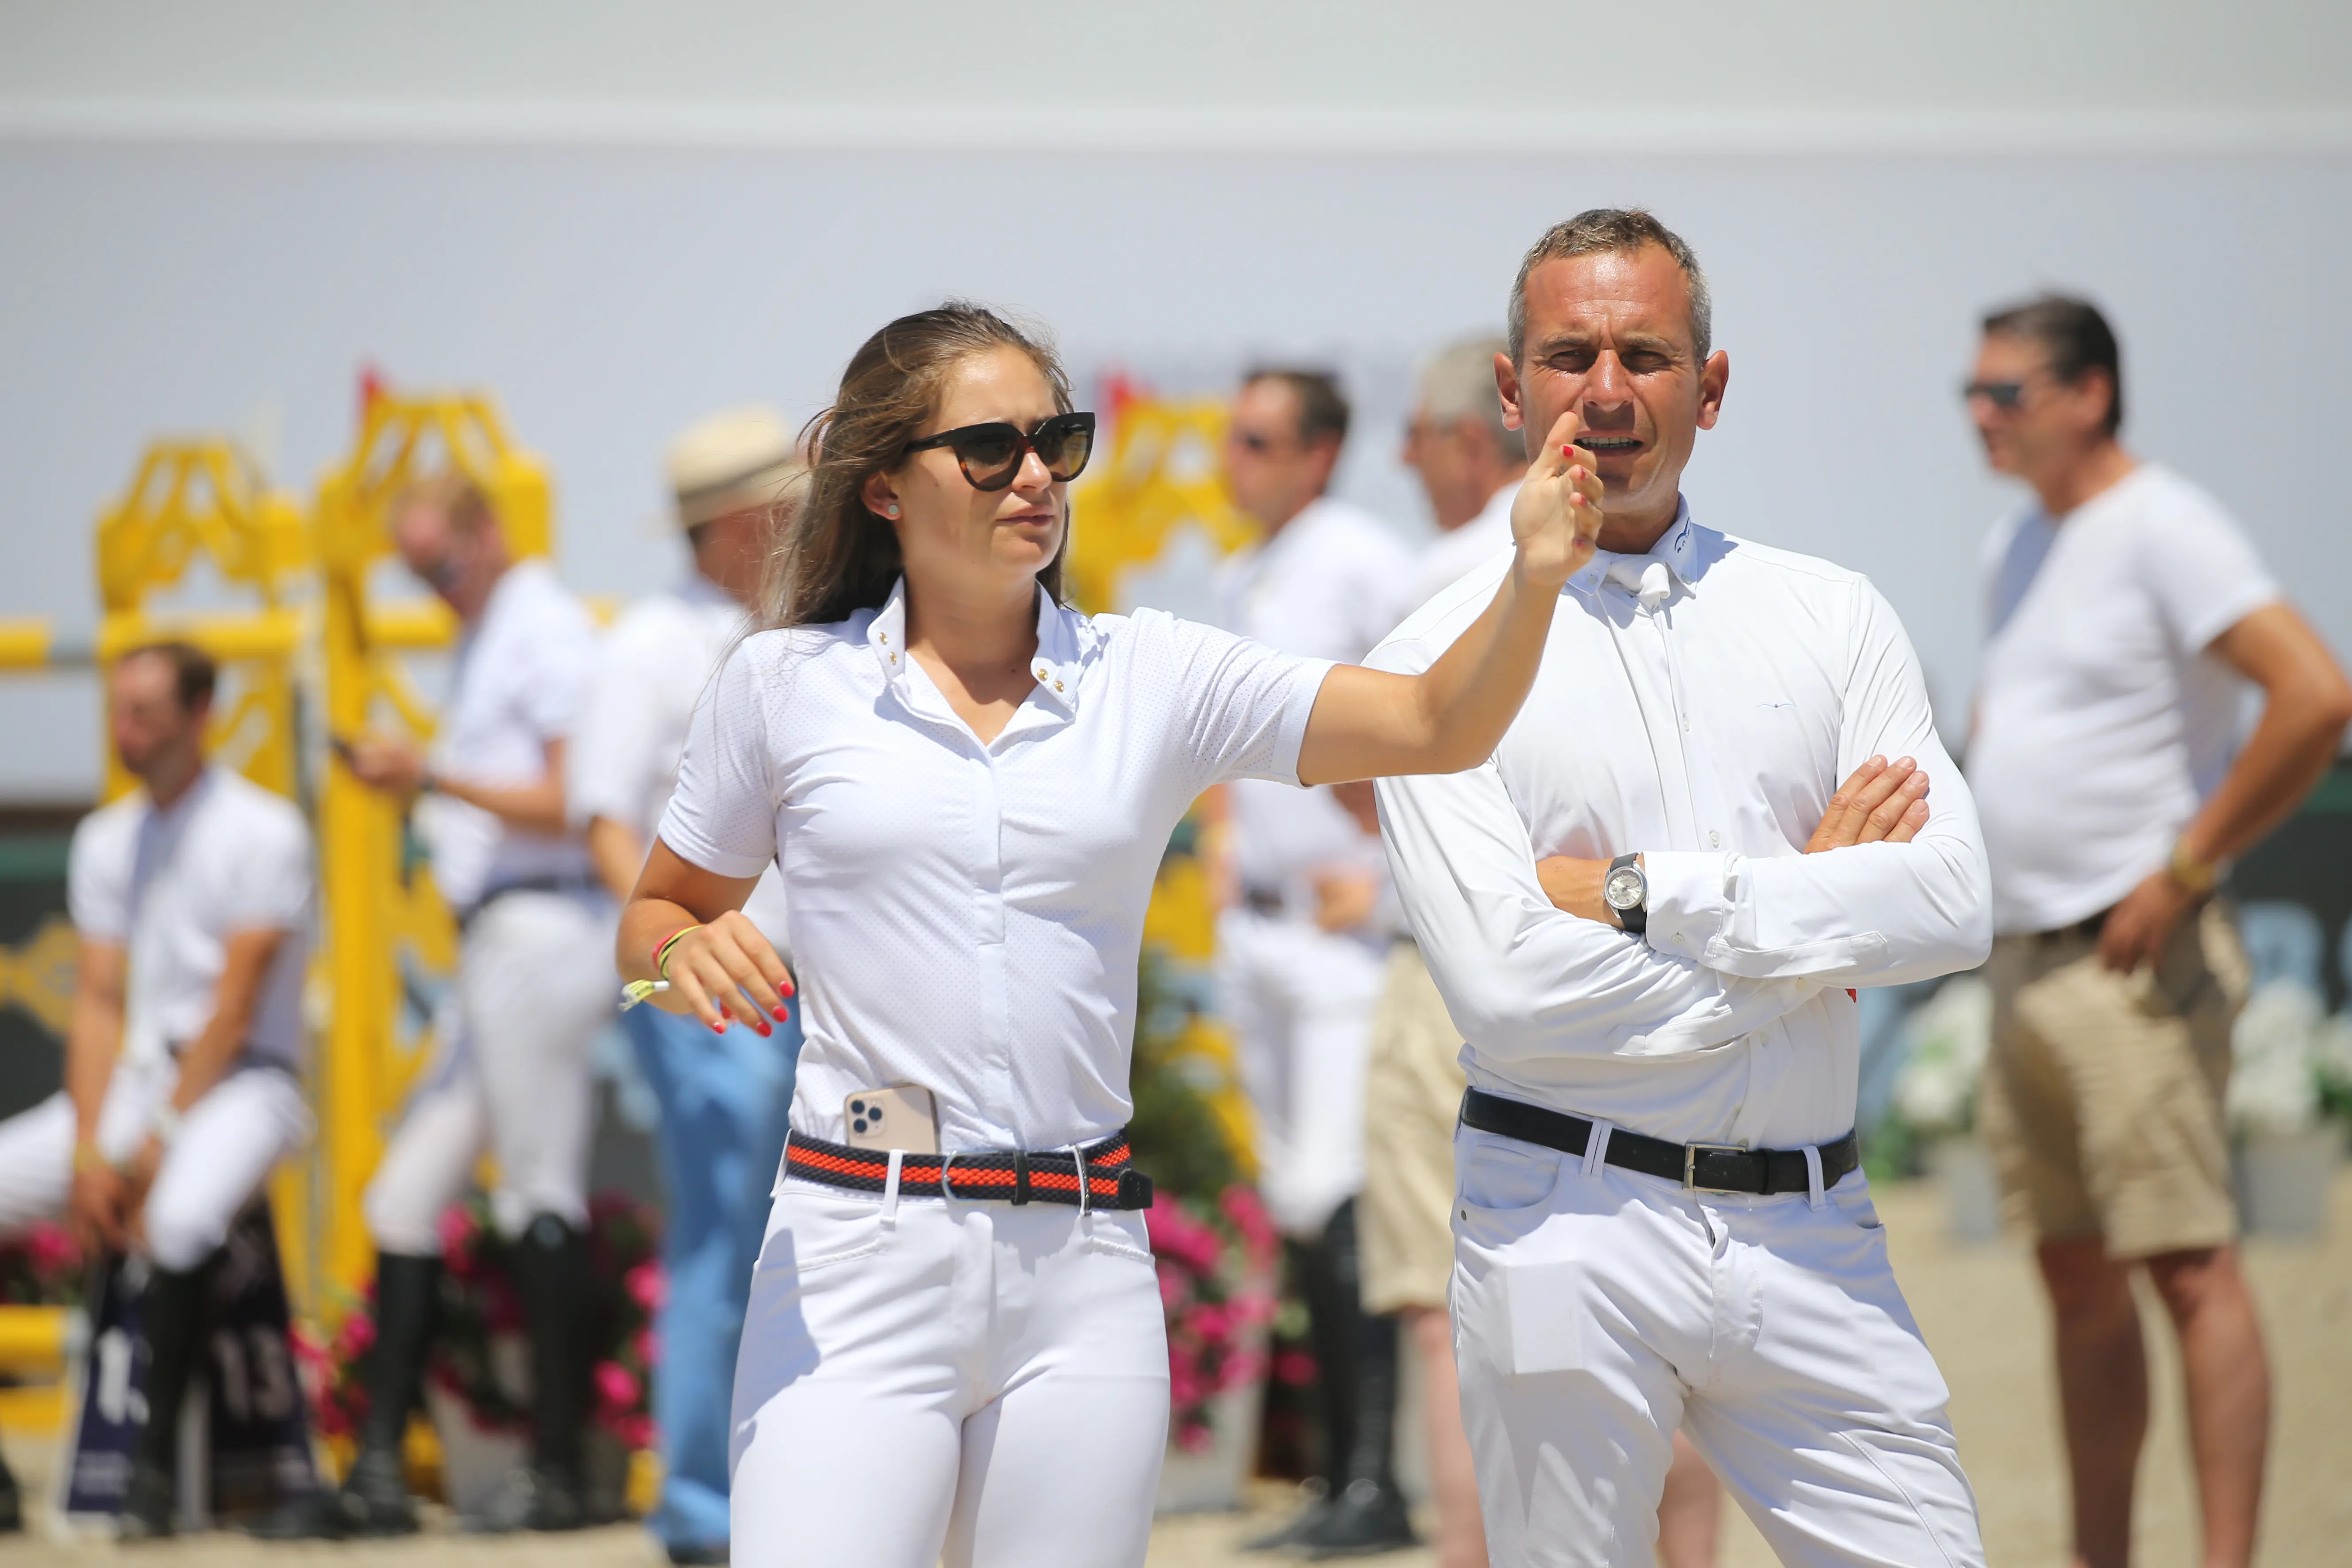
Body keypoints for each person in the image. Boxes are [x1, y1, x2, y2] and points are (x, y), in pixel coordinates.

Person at [616, 300, 1604, 1568]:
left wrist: (1529, 576)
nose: (1035, 474)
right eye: (989, 447)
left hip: (1085, 1274)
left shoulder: (1154, 675)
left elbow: (1429, 725)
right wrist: (675, 955)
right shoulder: (780, 684)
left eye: (1056, 438)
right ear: (878, 488)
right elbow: (657, 910)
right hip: (854, 1250)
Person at [1370, 209, 1994, 1568]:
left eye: (1645, 354)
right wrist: (1814, 921)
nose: (1606, 391)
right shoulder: (1434, 658)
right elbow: (1509, 987)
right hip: (1563, 1218)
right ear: (1509, 387)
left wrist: (1644, 892)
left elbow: (1949, 901)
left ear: (1709, 387)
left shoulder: (1830, 614)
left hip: (1815, 1224)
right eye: (1569, 354)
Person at [1961, 295, 2352, 1568]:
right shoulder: (2017, 544)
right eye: (1971, 392)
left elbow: (2311, 693)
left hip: (2132, 966)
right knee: (2074, 1281)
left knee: (2191, 1266)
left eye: (2005, 392)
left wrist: (2183, 869)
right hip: (2025, 961)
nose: (1980, 416)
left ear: (2089, 394)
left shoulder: (2164, 524)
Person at [275, 473, 618, 1536]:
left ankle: (561, 1470)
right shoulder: (491, 631)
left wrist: (428, 775)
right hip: (497, 941)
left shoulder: (544, 627)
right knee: (405, 1197)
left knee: (536, 1193)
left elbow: (576, 798)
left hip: (546, 925)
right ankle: (379, 1470)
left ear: (491, 534)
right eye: (419, 570)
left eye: (445, 562)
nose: (436, 585)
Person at [0, 642, 313, 1537]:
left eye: (143, 709)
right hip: (139, 1085)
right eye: (117, 708)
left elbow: (235, 1005)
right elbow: (96, 1004)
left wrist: (157, 1137)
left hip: (248, 1082)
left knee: (176, 1218)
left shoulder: (264, 828)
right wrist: (95, 1147)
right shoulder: (107, 835)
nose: (123, 728)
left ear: (200, 711)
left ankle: (150, 1480)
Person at [568, 406, 805, 1566]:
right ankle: (704, 1508)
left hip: (782, 977)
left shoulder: (780, 627)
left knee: (788, 1230)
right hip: (716, 983)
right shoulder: (651, 641)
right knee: (727, 1235)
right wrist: (673, 966)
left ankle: (750, 1495)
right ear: (741, 517)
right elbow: (609, 819)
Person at [1212, 367, 1421, 1556]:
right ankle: (1332, 1469)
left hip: (1343, 932)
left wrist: (1390, 878)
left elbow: (1434, 726)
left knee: (1345, 1196)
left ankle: (1372, 1480)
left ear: (1320, 453)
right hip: (1262, 922)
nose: (1233, 458)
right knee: (1297, 1200)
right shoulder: (1246, 570)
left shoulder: (1362, 560)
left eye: (1257, 438)